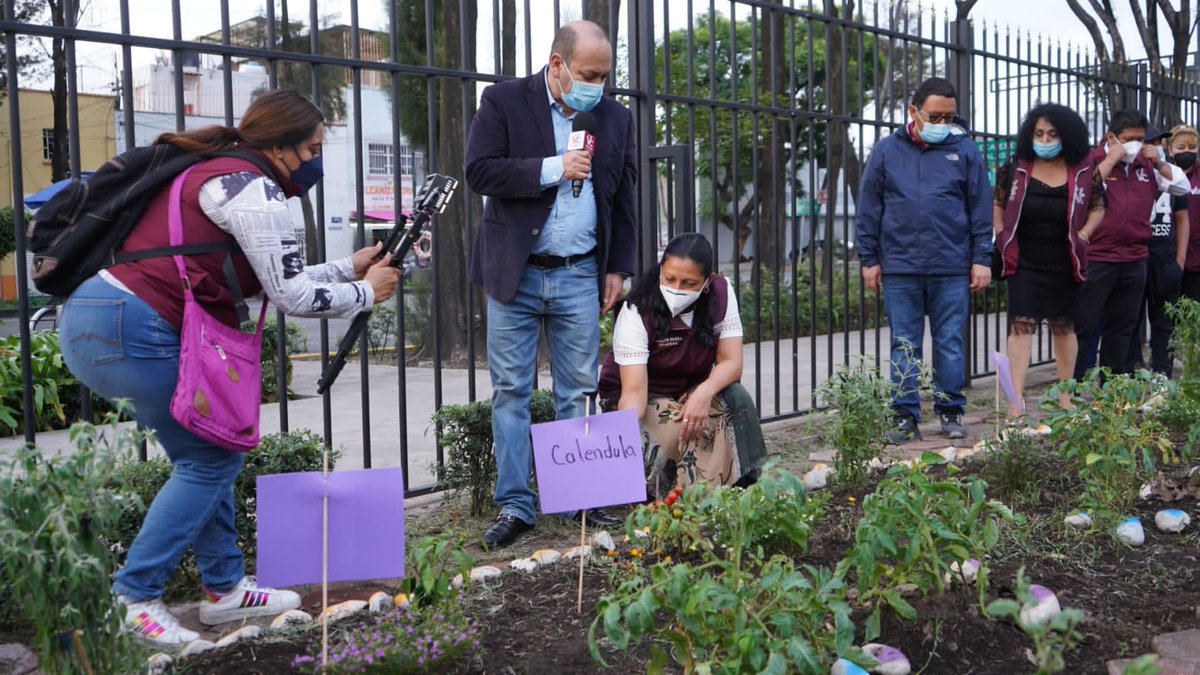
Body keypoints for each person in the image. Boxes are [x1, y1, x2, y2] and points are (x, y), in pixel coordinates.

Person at [58, 90, 403, 646]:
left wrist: (348, 266)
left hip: (107, 317)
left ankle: (224, 591)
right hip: (134, 325)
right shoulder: (251, 188)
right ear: (282, 145)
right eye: (314, 147)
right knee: (212, 459)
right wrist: (366, 292)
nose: (317, 160)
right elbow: (290, 295)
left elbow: (270, 272)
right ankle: (132, 598)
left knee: (206, 450)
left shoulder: (222, 174)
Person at [464, 20, 637, 548]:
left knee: (578, 391)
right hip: (516, 270)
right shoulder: (503, 101)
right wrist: (552, 168)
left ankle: (580, 496)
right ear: (557, 64)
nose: (598, 85)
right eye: (589, 74)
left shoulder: (614, 117)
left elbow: (623, 194)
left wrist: (618, 267)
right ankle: (517, 505)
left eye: (605, 76)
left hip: (580, 271)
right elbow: (480, 172)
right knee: (512, 391)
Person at [855, 77, 993, 443]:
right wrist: (869, 258)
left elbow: (980, 207)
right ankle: (904, 416)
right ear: (913, 111)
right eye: (935, 116)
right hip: (900, 266)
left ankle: (950, 411)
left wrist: (982, 258)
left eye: (949, 117)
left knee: (949, 341)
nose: (943, 124)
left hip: (951, 265)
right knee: (904, 343)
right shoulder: (886, 151)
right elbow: (869, 207)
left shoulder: (964, 150)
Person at [597, 233, 766, 497]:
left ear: (707, 282)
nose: (677, 288)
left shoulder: (721, 292)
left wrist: (703, 392)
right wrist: (621, 441)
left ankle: (741, 488)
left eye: (689, 283)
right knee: (683, 425)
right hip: (638, 397)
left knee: (734, 398)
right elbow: (633, 393)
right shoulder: (636, 312)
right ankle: (691, 498)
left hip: (689, 389)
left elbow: (732, 363)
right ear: (660, 271)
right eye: (670, 278)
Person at [993, 104, 1105, 416]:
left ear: (1067, 136)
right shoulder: (1015, 167)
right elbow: (998, 202)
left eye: (1052, 134)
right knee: (1021, 327)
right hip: (1023, 259)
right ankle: (1016, 403)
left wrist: (1085, 233)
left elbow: (1098, 205)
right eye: (1038, 133)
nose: (1044, 139)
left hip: (1065, 258)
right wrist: (1001, 232)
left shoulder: (1083, 169)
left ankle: (1065, 397)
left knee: (1063, 327)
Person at [1073, 110, 1191, 380]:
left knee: (1122, 328)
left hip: (1134, 258)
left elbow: (1181, 188)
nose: (1135, 145)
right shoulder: (1091, 161)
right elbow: (1079, 192)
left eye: (1140, 138)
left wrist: (1159, 162)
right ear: (1111, 137)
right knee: (1085, 327)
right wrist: (1110, 160)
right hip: (1097, 257)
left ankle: (1112, 392)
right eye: (1129, 139)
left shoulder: (1145, 165)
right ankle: (1073, 392)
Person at [1125, 126, 1189, 376]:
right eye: (1146, 142)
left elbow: (1182, 218)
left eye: (1157, 142)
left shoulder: (1171, 175)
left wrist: (1179, 259)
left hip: (1164, 260)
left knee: (1163, 322)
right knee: (1129, 318)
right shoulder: (1128, 174)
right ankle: (1130, 372)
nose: (1152, 147)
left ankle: (1163, 373)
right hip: (1135, 257)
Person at [1172, 125, 1200, 302]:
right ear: (1170, 149)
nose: (1187, 152)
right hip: (1167, 256)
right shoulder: (1163, 174)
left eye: (1192, 147)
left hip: (1196, 257)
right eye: (1181, 148)